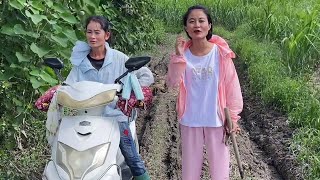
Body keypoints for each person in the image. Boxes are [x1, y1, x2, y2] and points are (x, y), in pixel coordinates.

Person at [65, 15, 152, 180]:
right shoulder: (80, 63)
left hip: (115, 117)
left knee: (131, 156)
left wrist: (131, 92)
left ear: (106, 35)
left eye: (97, 32)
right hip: (87, 116)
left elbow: (145, 75)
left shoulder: (120, 59)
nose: (92, 36)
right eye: (89, 32)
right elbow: (68, 85)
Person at [166, 5, 243, 180]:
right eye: (191, 21)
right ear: (186, 27)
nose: (197, 25)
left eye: (201, 21)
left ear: (209, 25)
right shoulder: (183, 54)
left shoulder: (220, 54)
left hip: (216, 120)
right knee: (190, 172)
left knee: (220, 173)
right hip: (190, 119)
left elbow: (232, 87)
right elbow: (172, 83)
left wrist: (233, 118)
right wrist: (178, 57)